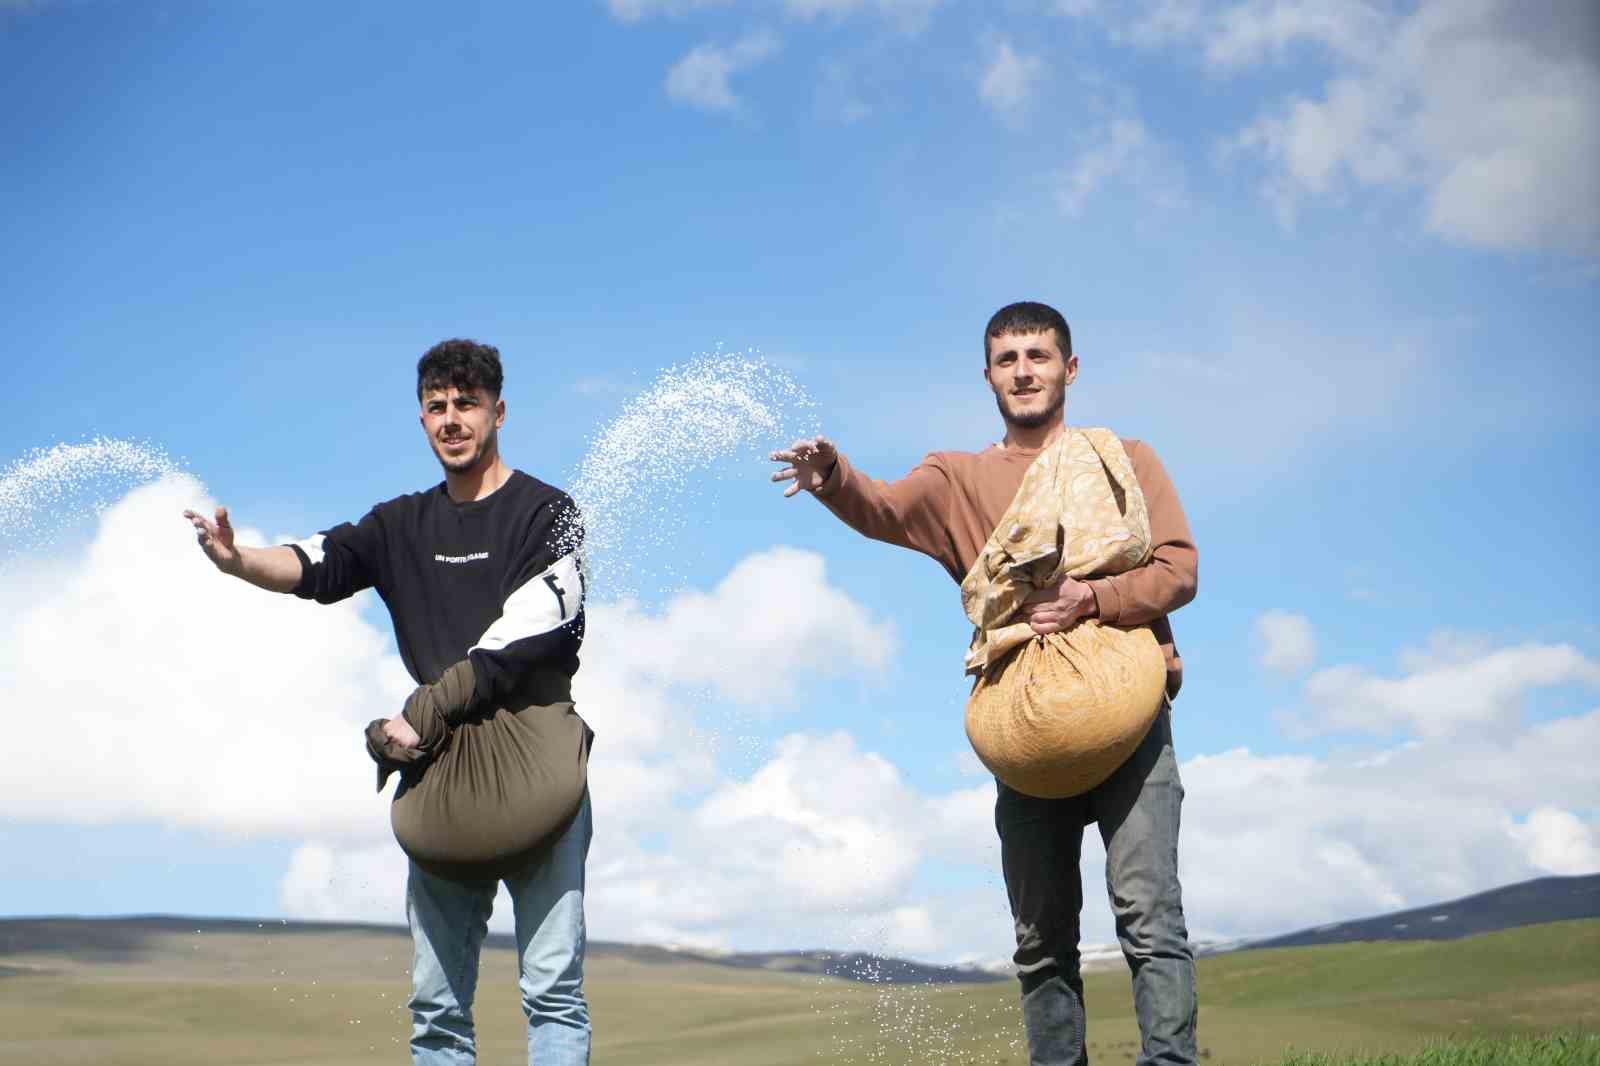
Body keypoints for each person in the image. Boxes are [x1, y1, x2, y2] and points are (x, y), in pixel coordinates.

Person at [770, 301, 1199, 1065]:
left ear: (1070, 369)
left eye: (1039, 356)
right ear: (988, 376)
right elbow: (884, 509)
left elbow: (1178, 569)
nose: (1024, 371)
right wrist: (832, 477)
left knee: (1150, 919)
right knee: (1040, 940)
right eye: (1008, 359)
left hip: (1131, 724)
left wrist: (1091, 599)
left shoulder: (1122, 458)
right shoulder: (956, 477)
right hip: (1026, 729)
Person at [184, 339, 593, 1066]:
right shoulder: (400, 523)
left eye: (466, 404)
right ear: (421, 420)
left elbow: (521, 641)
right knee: (436, 1011)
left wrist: (417, 716)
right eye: (436, 407)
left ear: (499, 412)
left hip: (537, 768)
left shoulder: (548, 512)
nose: (451, 419)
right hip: (442, 784)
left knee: (552, 993)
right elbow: (317, 562)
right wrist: (238, 559)